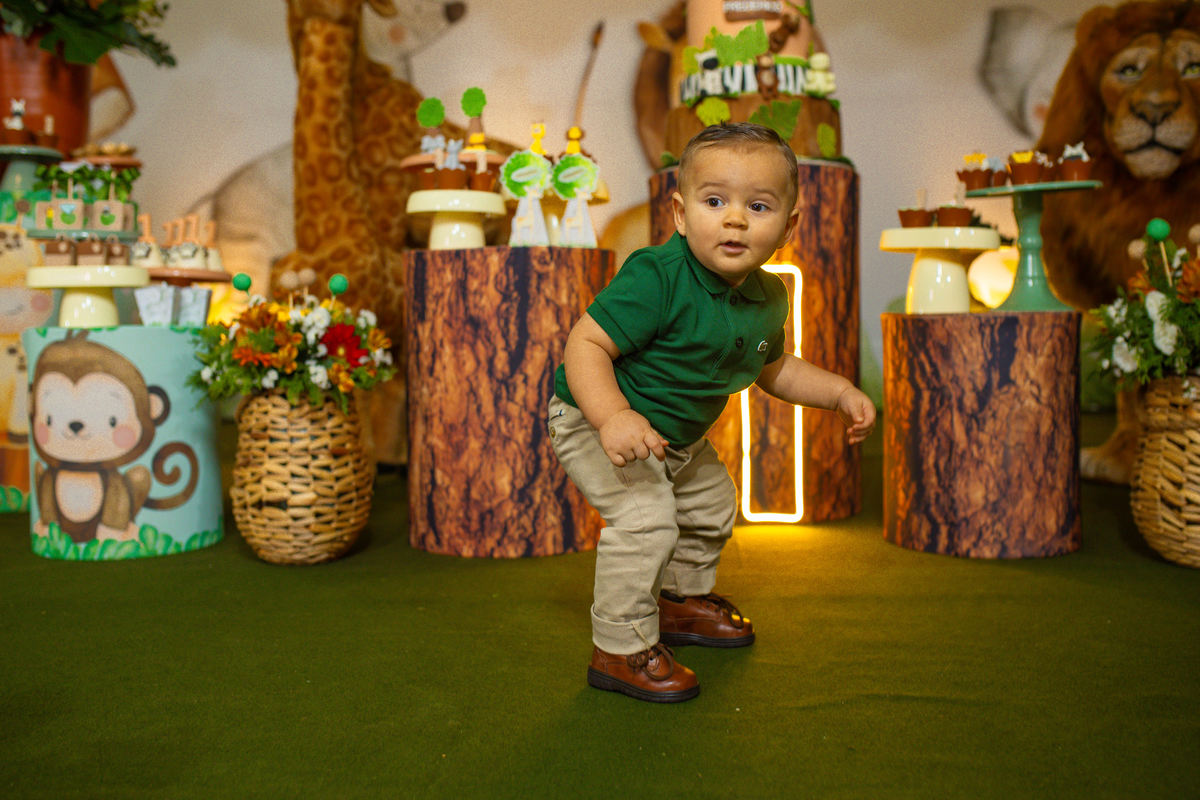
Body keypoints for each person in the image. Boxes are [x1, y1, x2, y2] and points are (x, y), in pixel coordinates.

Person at [548, 122, 875, 703]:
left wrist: (840, 391)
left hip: (674, 438)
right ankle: (620, 646)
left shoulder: (768, 297)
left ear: (789, 226)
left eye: (758, 206)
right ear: (680, 213)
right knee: (646, 520)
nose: (735, 220)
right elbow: (586, 344)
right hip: (595, 418)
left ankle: (676, 601)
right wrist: (612, 416)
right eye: (715, 201)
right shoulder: (657, 276)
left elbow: (775, 368)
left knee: (712, 502)